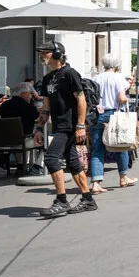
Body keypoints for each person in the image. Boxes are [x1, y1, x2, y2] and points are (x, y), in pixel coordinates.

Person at [34, 41, 97, 216]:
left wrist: (80, 125)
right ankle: (87, 200)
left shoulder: (70, 74)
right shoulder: (47, 79)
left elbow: (81, 100)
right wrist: (39, 128)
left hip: (70, 126)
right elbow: (45, 107)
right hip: (59, 125)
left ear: (56, 54)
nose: (42, 56)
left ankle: (62, 201)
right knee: (73, 163)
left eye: (45, 52)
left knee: (52, 158)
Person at [90, 54, 136, 193]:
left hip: (98, 114)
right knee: (120, 144)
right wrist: (125, 100)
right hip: (114, 115)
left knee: (97, 149)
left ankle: (96, 183)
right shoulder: (118, 78)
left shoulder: (96, 78)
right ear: (117, 65)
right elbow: (121, 98)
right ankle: (123, 177)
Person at [0, 83, 41, 175]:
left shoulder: (4, 106)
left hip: (5, 140)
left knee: (18, 136)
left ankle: (20, 166)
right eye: (30, 93)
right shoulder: (28, 107)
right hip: (22, 141)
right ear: (23, 94)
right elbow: (37, 117)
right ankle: (37, 166)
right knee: (47, 141)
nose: (31, 96)